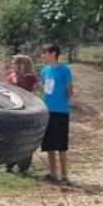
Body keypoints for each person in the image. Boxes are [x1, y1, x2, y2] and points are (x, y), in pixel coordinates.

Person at [39, 43, 75, 185]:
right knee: (49, 144)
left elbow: (69, 91)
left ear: (53, 54)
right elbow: (45, 90)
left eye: (45, 53)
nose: (42, 55)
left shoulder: (65, 70)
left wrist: (61, 103)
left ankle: (64, 175)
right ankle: (53, 174)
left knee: (61, 144)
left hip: (60, 111)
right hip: (47, 111)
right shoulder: (44, 71)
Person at [4, 54, 38, 174]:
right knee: (11, 138)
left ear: (21, 65)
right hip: (12, 110)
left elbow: (32, 93)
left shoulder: (29, 78)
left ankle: (23, 166)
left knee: (25, 139)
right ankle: (9, 164)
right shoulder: (10, 76)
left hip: (26, 111)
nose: (11, 64)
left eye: (14, 62)